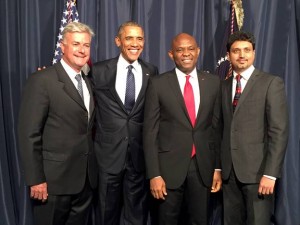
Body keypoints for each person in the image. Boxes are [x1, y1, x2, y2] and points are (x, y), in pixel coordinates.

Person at [18, 22, 97, 225]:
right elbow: (29, 134)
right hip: (52, 183)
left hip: (85, 181)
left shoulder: (88, 81)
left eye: (86, 45)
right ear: (63, 47)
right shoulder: (42, 80)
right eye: (76, 44)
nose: (82, 50)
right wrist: (36, 179)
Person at [143, 33, 222, 225]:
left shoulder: (213, 83)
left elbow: (217, 128)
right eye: (180, 50)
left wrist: (217, 167)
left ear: (198, 51)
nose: (186, 53)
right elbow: (149, 132)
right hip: (167, 169)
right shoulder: (158, 83)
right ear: (171, 54)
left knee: (199, 220)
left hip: (202, 166)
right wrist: (154, 174)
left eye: (190, 49)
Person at [91, 21, 158, 225]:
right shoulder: (100, 70)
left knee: (136, 216)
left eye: (139, 38)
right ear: (118, 41)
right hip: (108, 156)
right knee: (105, 214)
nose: (135, 43)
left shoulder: (151, 71)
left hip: (138, 157)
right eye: (129, 38)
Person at [220, 31, 289, 225]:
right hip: (229, 173)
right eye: (236, 51)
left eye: (246, 50)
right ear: (229, 55)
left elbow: (279, 132)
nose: (242, 55)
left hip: (259, 174)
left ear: (254, 53)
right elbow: (221, 129)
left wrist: (270, 173)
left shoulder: (271, 83)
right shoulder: (223, 86)